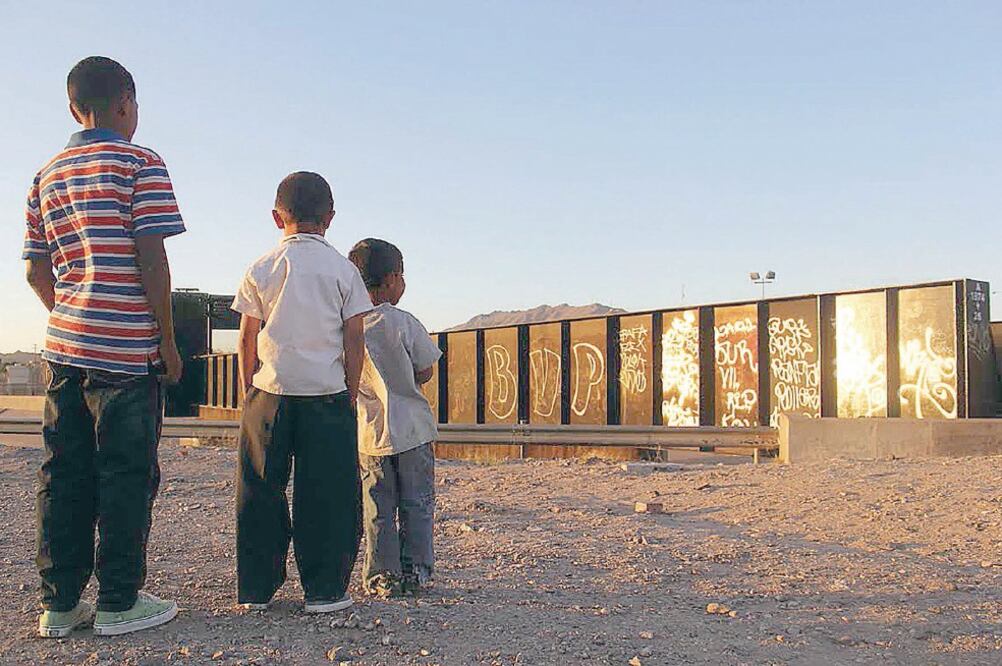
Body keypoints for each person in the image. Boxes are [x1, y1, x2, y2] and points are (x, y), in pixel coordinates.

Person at [23, 56, 185, 638]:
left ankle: (60, 604)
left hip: (65, 349)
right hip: (127, 353)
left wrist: (73, 315)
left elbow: (35, 271)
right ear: (125, 103)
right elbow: (152, 257)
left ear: (74, 108)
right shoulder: (140, 163)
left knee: (63, 473)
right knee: (126, 474)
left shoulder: (45, 174)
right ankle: (119, 600)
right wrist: (167, 340)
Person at [231, 172, 372, 613]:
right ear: (330, 217)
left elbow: (247, 336)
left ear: (277, 217)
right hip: (326, 394)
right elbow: (354, 337)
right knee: (326, 492)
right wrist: (350, 390)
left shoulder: (262, 267)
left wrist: (248, 389)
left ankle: (256, 589)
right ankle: (324, 589)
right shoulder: (344, 271)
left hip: (269, 392)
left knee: (260, 488)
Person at [348, 238, 441, 597]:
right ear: (390, 279)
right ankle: (416, 571)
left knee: (378, 506)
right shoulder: (403, 322)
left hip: (371, 435)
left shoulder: (350, 326)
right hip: (412, 431)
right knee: (416, 503)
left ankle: (380, 575)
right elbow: (426, 369)